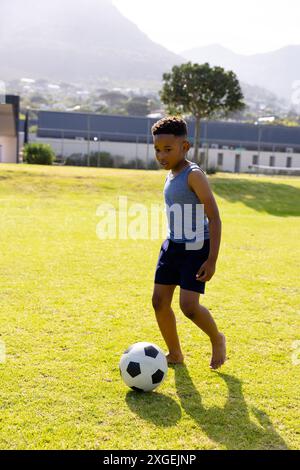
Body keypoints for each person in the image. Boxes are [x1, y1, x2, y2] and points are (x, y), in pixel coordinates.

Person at [152, 116, 226, 369]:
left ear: (185, 147)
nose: (161, 155)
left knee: (189, 307)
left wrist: (212, 259)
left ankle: (217, 339)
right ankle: (175, 354)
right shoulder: (171, 173)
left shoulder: (194, 175)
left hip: (196, 248)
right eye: (157, 150)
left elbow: (214, 218)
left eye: (168, 150)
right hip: (172, 246)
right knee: (159, 302)